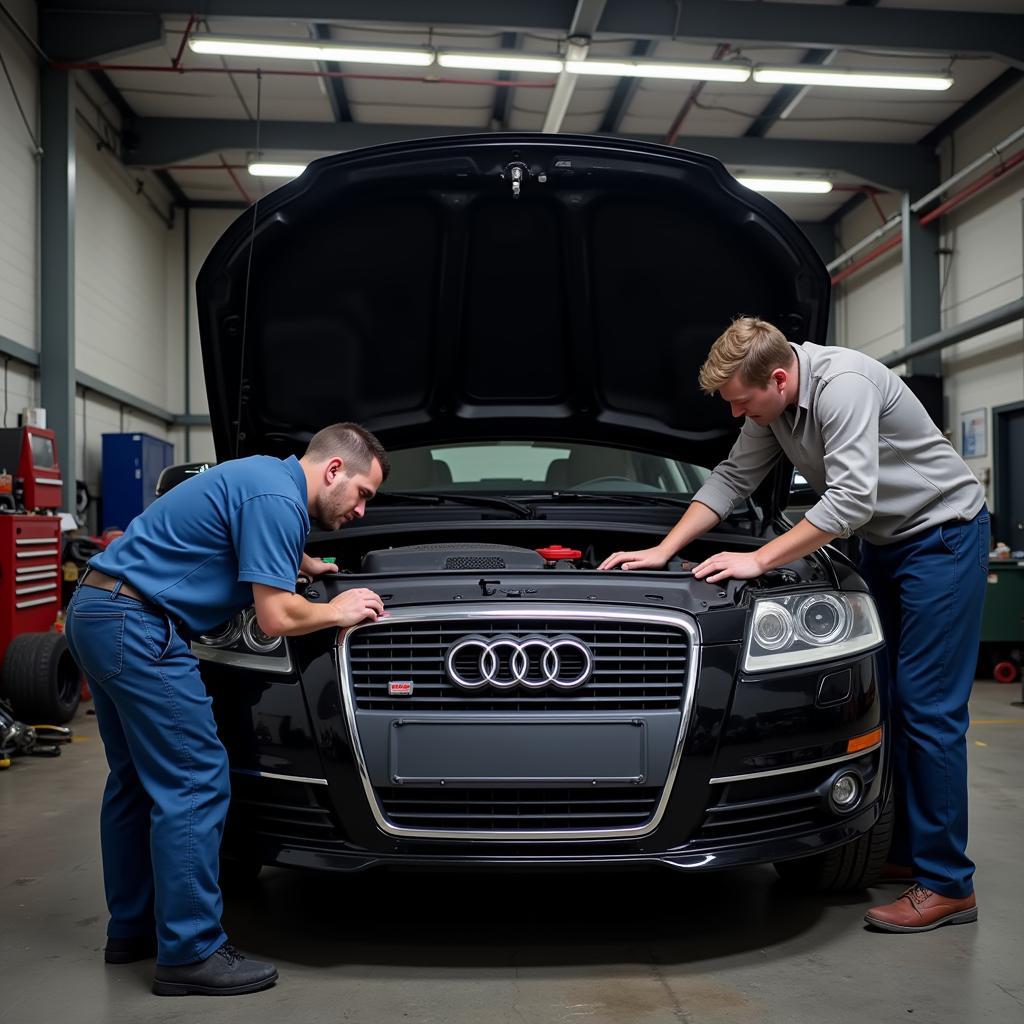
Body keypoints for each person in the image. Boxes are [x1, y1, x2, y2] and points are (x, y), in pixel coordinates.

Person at [599, 316, 987, 933]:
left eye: (739, 403)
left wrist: (757, 558)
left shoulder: (845, 386)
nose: (736, 415)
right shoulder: (776, 408)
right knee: (889, 702)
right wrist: (662, 551)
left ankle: (947, 884)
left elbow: (851, 500)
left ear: (778, 379)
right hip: (886, 547)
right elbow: (732, 480)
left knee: (928, 708)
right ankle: (910, 852)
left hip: (942, 539)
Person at [65, 423, 389, 994]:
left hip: (98, 609)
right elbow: (277, 619)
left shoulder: (266, 477)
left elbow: (237, 536)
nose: (363, 511)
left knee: (136, 781)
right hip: (136, 625)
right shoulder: (278, 499)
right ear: (334, 471)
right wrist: (337, 610)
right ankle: (191, 952)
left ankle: (132, 931)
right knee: (195, 778)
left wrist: (306, 563)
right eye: (363, 494)